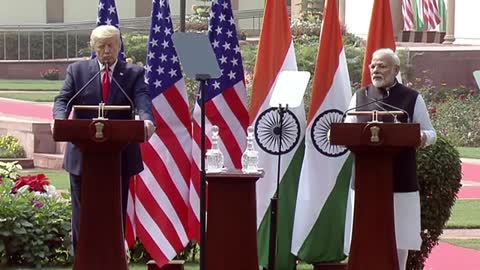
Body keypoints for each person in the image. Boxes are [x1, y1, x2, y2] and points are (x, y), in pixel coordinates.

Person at [52, 25, 156, 251]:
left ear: (119, 46)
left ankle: (114, 259)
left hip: (119, 158)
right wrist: (59, 120)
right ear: (93, 47)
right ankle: (82, 261)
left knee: (115, 214)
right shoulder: (77, 71)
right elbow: (62, 100)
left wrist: (147, 120)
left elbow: (142, 100)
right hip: (83, 158)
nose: (107, 51)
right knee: (82, 216)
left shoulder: (133, 74)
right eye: (101, 46)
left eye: (111, 45)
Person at [345, 48, 437, 270]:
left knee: (399, 239)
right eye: (373, 66)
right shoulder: (359, 97)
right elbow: (346, 130)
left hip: (400, 181)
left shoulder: (412, 98)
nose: (376, 70)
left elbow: (430, 133)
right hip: (365, 184)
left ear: (396, 70)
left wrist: (421, 137)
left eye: (382, 66)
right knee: (363, 238)